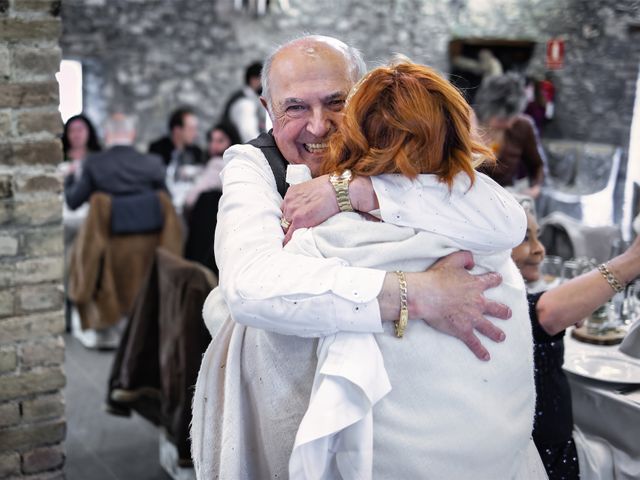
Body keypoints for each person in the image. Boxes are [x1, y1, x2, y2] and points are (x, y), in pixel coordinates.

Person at [191, 35, 518, 479]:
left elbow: (505, 220)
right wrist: (420, 294)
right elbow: (253, 287)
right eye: (296, 108)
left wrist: (351, 190)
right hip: (288, 399)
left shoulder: (389, 152)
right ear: (269, 109)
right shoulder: (250, 165)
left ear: (362, 96)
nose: (319, 126)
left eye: (335, 102)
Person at [283, 60, 542, 479]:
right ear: (458, 130)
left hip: (395, 463)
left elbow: (250, 308)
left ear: (354, 132)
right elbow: (505, 216)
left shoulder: (330, 238)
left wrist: (348, 190)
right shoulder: (484, 222)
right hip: (499, 453)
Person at [511, 195, 640, 480]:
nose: (539, 250)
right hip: (549, 464)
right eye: (524, 239)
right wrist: (633, 259)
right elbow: (543, 314)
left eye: (537, 237)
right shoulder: (504, 308)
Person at [65, 113, 166, 210]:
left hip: (106, 226)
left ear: (106, 134)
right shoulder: (153, 163)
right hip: (148, 225)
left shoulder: (93, 163)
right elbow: (167, 200)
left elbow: (73, 202)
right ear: (132, 134)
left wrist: (70, 176)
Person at [474, 73, 546, 199]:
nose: (508, 125)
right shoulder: (467, 124)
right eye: (502, 119)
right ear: (486, 111)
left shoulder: (522, 126)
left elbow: (537, 165)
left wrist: (535, 188)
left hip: (506, 198)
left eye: (512, 118)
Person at [183, 122, 239, 210]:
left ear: (232, 141)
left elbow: (190, 200)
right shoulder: (238, 163)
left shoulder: (217, 163)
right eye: (212, 140)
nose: (214, 145)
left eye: (220, 141)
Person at [220, 61, 267, 142]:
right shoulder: (245, 104)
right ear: (254, 80)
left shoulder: (248, 100)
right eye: (264, 80)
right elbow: (249, 135)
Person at [61, 113, 102, 180]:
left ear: (89, 132)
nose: (76, 135)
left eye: (80, 130)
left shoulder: (99, 157)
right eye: (72, 130)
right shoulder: (60, 157)